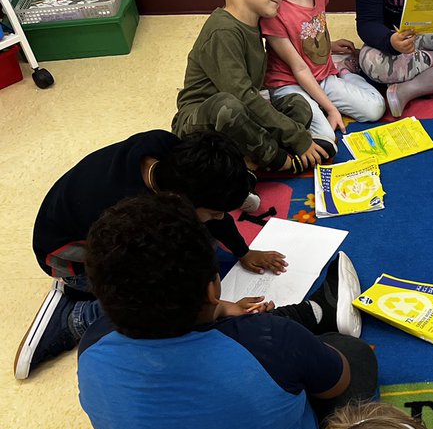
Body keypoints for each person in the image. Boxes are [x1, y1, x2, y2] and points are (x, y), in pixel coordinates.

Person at [77, 194, 378, 429]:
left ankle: (309, 318)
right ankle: (315, 314)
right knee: (351, 354)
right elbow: (337, 383)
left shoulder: (92, 347)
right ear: (211, 288)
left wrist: (220, 310)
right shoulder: (268, 340)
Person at [16, 130, 286, 381]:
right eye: (215, 212)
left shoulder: (167, 150)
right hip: (65, 258)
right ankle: (73, 316)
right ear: (178, 202)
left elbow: (210, 213)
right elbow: (153, 286)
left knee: (203, 239)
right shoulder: (135, 216)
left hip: (83, 223)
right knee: (159, 301)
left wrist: (243, 251)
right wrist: (218, 307)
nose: (220, 216)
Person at [174, 0, 327, 173]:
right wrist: (297, 138)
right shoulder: (222, 31)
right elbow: (242, 97)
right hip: (202, 124)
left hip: (240, 113)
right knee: (230, 106)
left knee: (298, 105)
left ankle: (247, 157)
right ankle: (277, 159)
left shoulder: (255, 21)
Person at [261, 0, 385, 152]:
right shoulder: (274, 9)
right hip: (290, 83)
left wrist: (329, 46)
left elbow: (312, 30)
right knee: (325, 137)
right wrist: (330, 108)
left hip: (323, 74)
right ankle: (288, 106)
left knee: (376, 108)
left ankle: (345, 71)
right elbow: (298, 68)